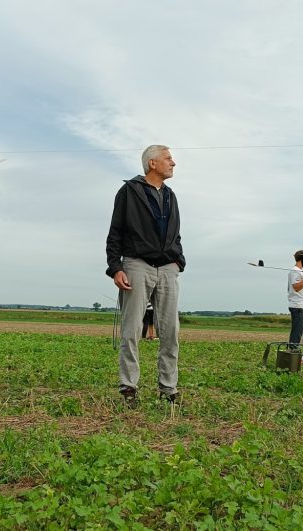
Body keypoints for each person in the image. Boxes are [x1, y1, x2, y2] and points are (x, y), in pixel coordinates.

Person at [106, 145, 185, 407]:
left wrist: (177, 260)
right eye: (168, 158)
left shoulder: (171, 195)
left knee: (170, 330)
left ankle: (168, 388)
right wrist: (116, 267)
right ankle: (129, 388)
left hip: (167, 269)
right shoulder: (129, 191)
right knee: (131, 329)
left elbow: (176, 233)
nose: (173, 162)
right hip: (137, 265)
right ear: (152, 163)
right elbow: (115, 231)